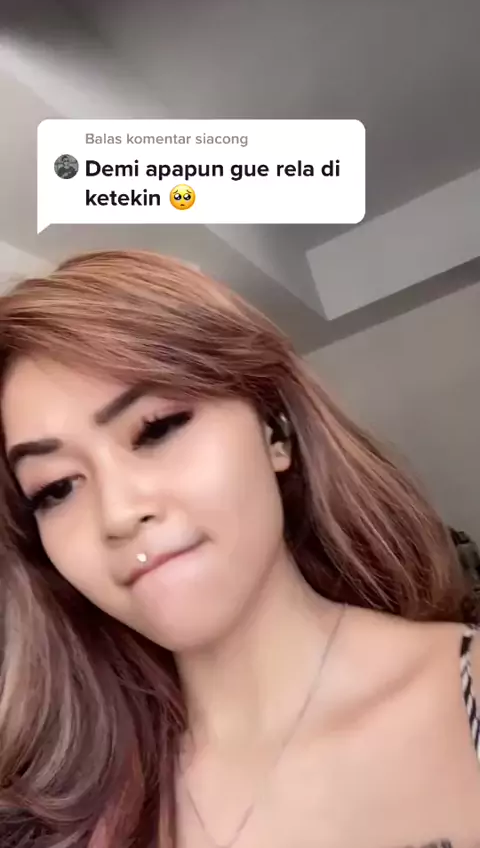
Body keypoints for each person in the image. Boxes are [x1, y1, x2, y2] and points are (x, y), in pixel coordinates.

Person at [0, 250, 478, 848]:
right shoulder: (61, 815)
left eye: (157, 428)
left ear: (273, 429)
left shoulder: (464, 693)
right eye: (56, 488)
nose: (119, 514)